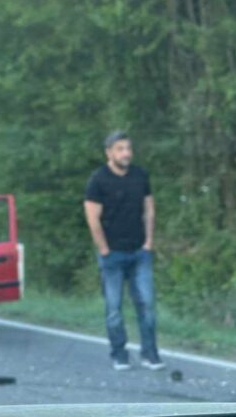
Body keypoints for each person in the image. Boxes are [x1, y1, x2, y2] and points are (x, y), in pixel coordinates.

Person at [83, 131, 165, 371]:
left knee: (147, 304)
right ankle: (119, 353)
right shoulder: (98, 180)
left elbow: (149, 209)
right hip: (113, 255)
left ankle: (150, 354)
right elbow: (92, 218)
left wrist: (149, 242)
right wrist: (104, 249)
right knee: (114, 308)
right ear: (109, 152)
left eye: (128, 148)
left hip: (140, 252)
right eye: (120, 149)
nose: (126, 153)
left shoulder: (140, 175)